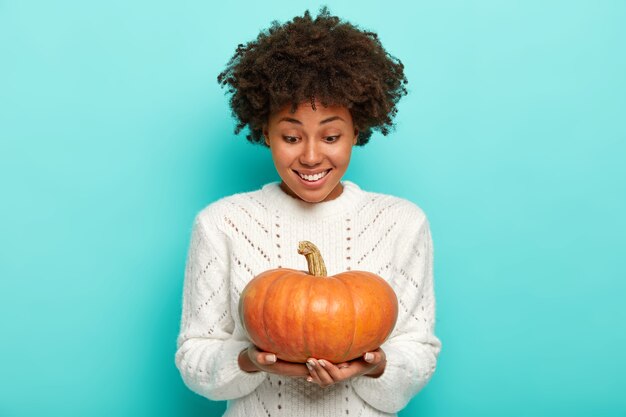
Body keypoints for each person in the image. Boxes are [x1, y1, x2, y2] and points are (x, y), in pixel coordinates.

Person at [175, 7, 441, 417]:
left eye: (331, 135)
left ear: (358, 130)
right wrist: (249, 361)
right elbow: (195, 357)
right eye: (291, 136)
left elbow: (418, 350)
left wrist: (374, 366)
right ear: (265, 132)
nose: (312, 156)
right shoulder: (221, 223)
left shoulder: (402, 223)